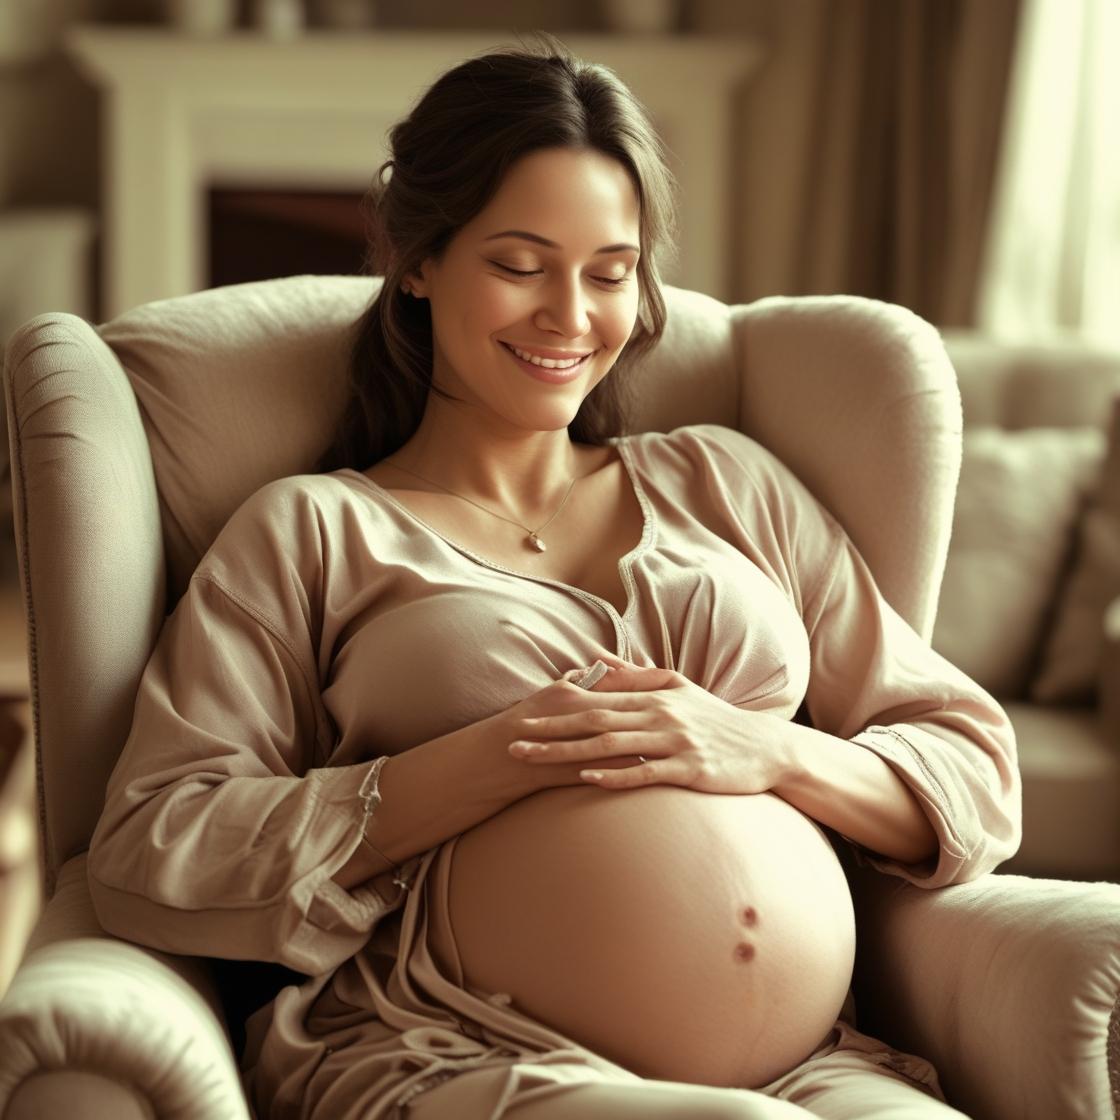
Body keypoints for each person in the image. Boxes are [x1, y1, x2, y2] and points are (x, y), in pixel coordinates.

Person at [87, 32, 1021, 1120]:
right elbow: (156, 839)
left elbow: (970, 767)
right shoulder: (313, 530)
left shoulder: (729, 482)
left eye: (609, 273)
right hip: (455, 1048)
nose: (570, 316)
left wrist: (763, 748)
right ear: (419, 261)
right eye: (520, 266)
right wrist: (491, 759)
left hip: (814, 1067)